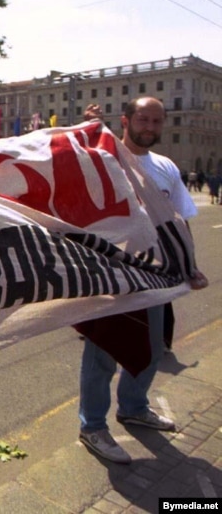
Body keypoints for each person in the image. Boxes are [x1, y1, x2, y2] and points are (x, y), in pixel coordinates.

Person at [78, 97, 207, 464]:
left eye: (156, 121)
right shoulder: (104, 157)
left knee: (151, 348)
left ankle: (133, 407)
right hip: (112, 274)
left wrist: (190, 265)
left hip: (156, 275)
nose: (150, 127)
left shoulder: (166, 167)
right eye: (143, 120)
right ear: (126, 120)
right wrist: (89, 133)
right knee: (103, 351)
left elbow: (180, 220)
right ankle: (92, 426)